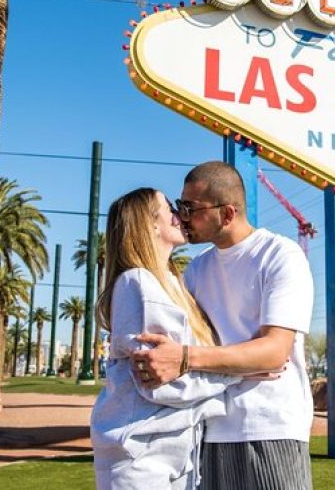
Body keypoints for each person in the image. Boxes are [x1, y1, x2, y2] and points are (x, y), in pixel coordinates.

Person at [133, 161, 315, 490]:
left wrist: (186, 358)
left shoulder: (280, 255)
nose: (182, 216)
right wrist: (239, 364)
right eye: (179, 205)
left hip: (269, 428)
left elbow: (274, 352)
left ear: (228, 214)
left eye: (191, 208)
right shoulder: (195, 270)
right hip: (206, 428)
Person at [89, 187, 240, 489]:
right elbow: (160, 384)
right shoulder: (137, 282)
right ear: (150, 224)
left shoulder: (173, 283)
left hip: (179, 456)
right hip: (139, 459)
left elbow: (185, 367)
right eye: (169, 207)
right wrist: (239, 372)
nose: (178, 214)